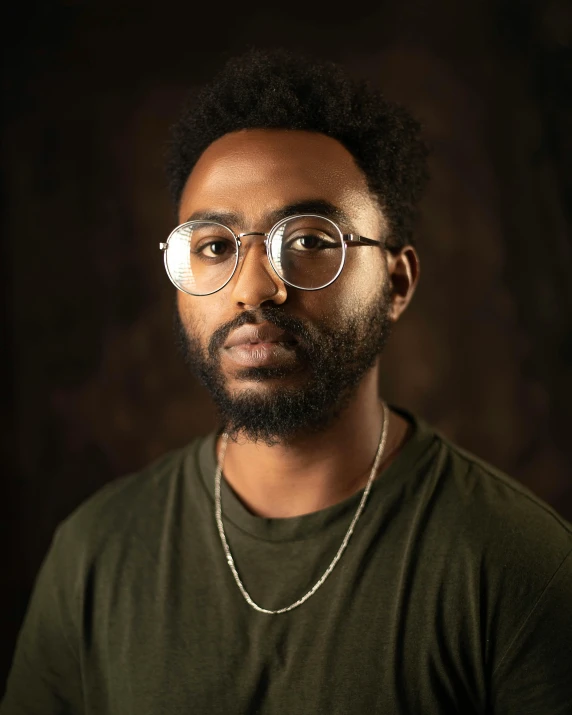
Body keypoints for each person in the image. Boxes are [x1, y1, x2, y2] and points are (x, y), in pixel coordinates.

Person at [2, 49, 571, 715]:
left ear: (397, 282)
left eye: (307, 241)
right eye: (213, 246)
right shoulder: (93, 555)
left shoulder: (518, 564)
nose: (253, 289)